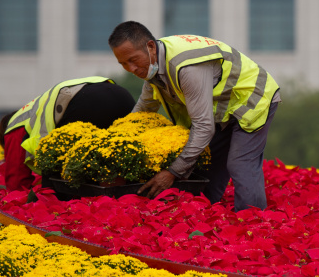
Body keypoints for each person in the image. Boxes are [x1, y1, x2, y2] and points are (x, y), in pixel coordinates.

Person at [108, 21, 280, 211]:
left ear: (150, 47)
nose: (131, 68)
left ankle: (253, 221)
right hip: (223, 107)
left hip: (252, 98)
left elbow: (204, 126)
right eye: (123, 64)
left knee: (240, 162)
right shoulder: (154, 64)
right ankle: (205, 214)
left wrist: (173, 171)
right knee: (206, 161)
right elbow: (144, 109)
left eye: (133, 60)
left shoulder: (187, 68)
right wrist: (116, 143)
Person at [0, 76, 135, 191]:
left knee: (54, 176)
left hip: (87, 104)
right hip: (123, 96)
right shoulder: (33, 110)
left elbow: (17, 182)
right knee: (123, 159)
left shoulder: (14, 125)